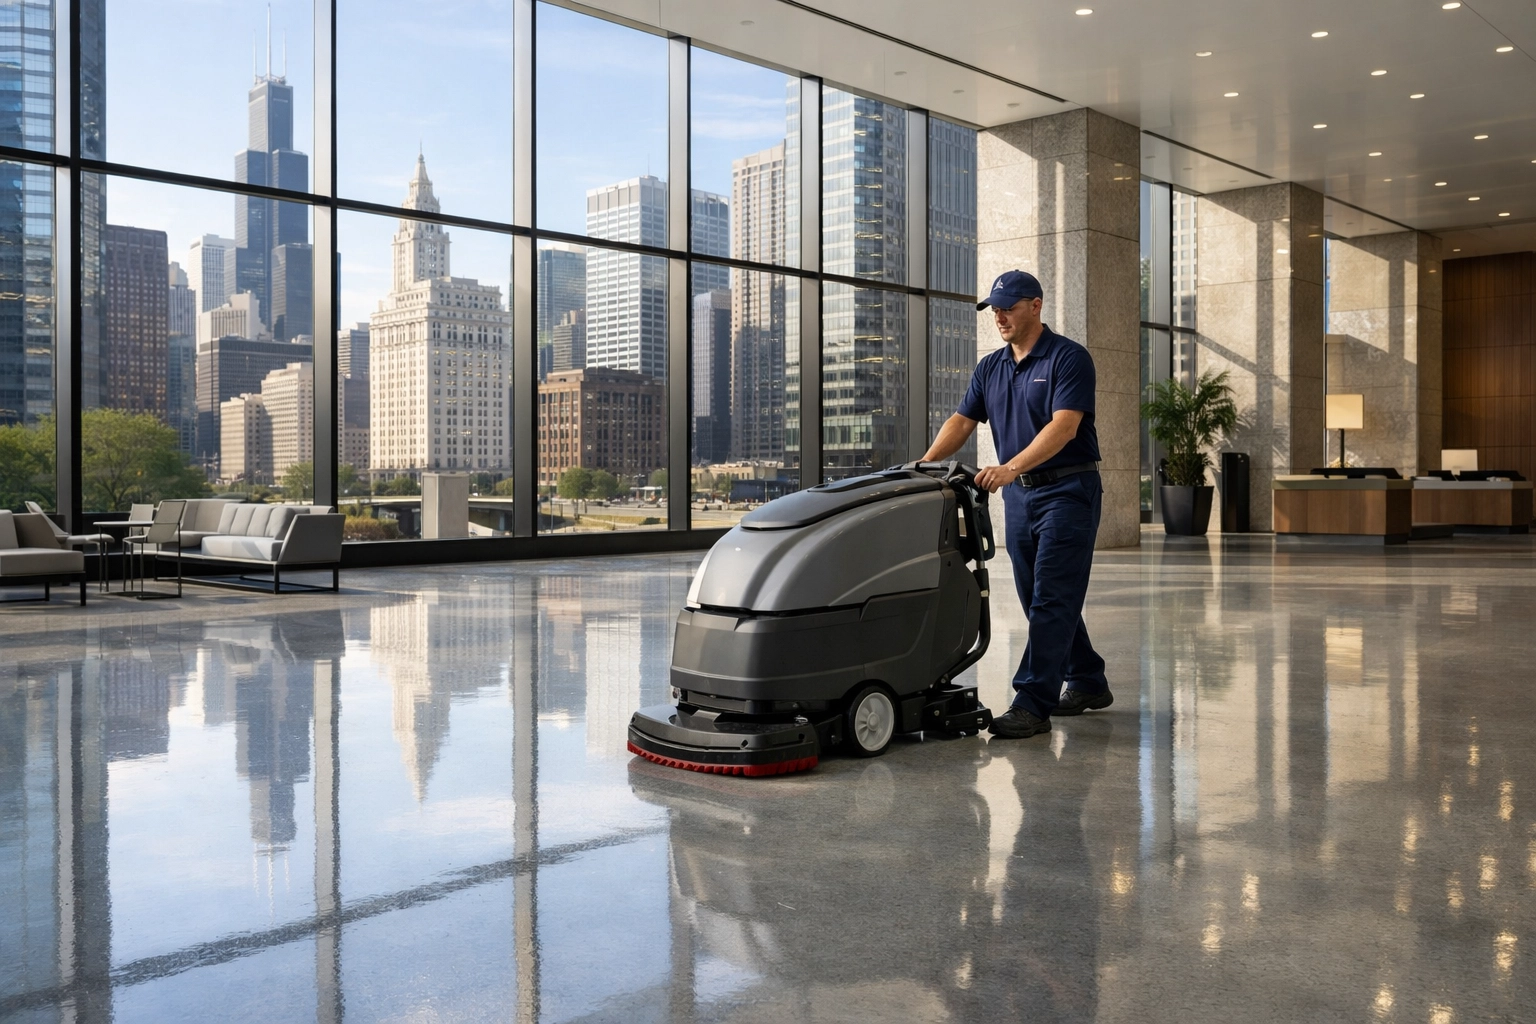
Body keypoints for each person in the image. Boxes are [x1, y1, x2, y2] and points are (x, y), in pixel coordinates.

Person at [922, 270, 1111, 739]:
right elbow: (962, 421)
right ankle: (1086, 679)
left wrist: (1008, 468)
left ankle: (1032, 702)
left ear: (1036, 306)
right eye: (995, 309)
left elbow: (1064, 427)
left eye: (1009, 306)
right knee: (1038, 599)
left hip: (1068, 492)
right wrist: (924, 463)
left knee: (1051, 598)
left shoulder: (1068, 358)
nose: (1000, 316)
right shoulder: (991, 367)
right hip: (1023, 499)